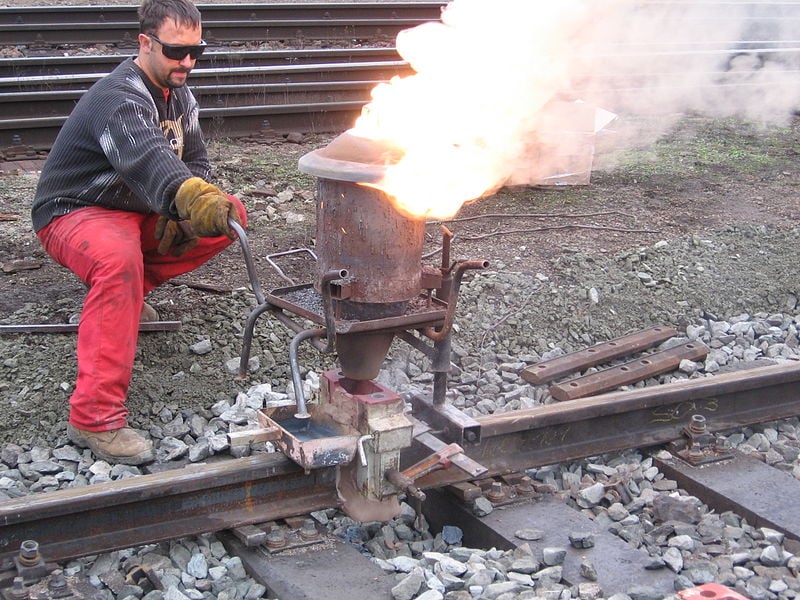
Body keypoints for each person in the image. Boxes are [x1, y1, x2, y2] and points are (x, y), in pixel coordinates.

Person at [31, 0, 247, 465]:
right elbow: (145, 157)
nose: (187, 62)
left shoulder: (179, 94)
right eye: (175, 50)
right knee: (117, 262)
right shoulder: (119, 97)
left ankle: (126, 299)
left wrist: (195, 205)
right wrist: (183, 198)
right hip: (76, 210)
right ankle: (94, 418)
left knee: (229, 217)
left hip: (137, 208)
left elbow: (196, 163)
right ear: (145, 43)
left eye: (196, 52)